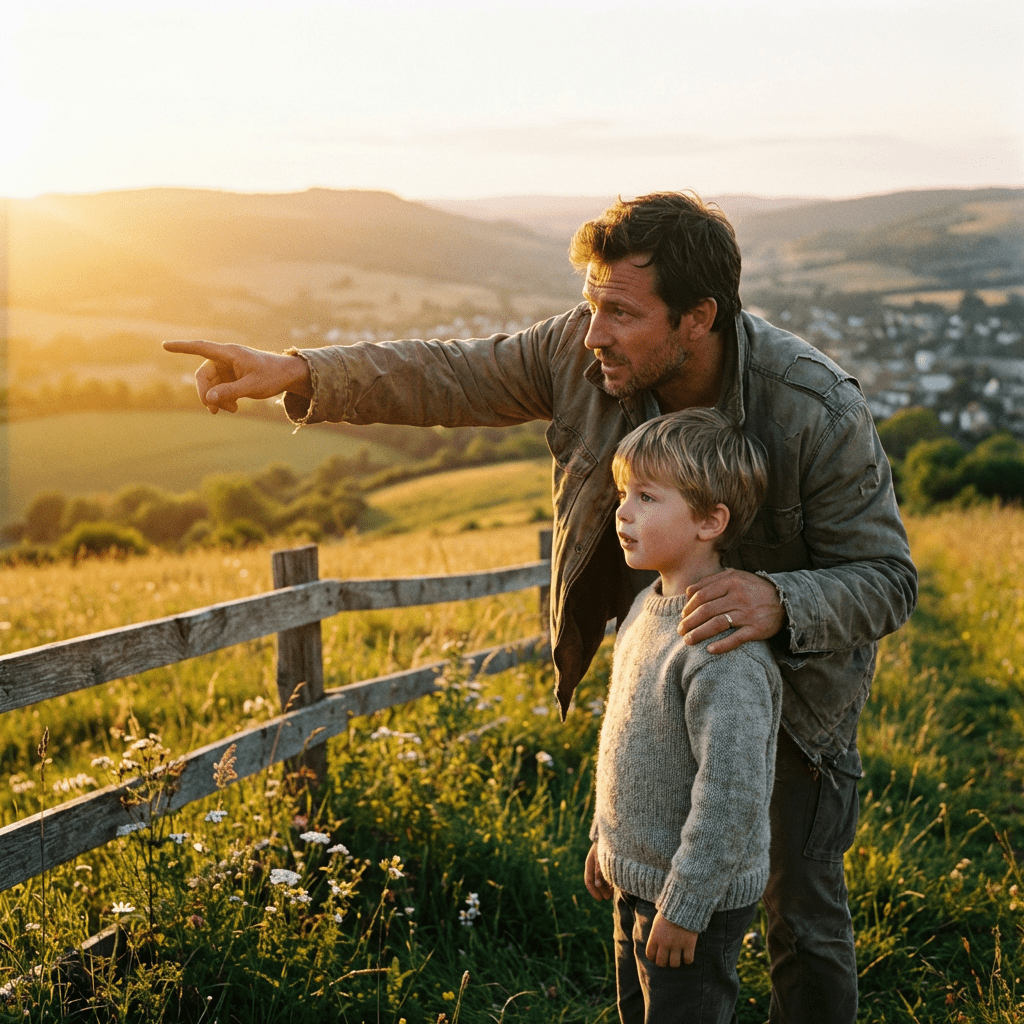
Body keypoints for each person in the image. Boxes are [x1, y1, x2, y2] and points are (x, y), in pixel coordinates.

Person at [165, 191, 918, 1022]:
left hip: (796, 705)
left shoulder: (814, 408)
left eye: (621, 313)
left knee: (801, 921)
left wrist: (776, 597)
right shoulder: (580, 350)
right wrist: (302, 373)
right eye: (593, 304)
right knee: (655, 923)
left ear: (698, 317)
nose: (593, 332)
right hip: (661, 683)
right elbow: (451, 375)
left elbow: (888, 578)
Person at [585, 408, 782, 1023]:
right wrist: (605, 841)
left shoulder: (722, 647)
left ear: (709, 521)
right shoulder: (648, 605)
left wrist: (685, 906)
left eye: (647, 496)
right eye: (623, 494)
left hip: (692, 901)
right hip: (635, 883)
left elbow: (732, 791)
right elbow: (628, 744)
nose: (623, 512)